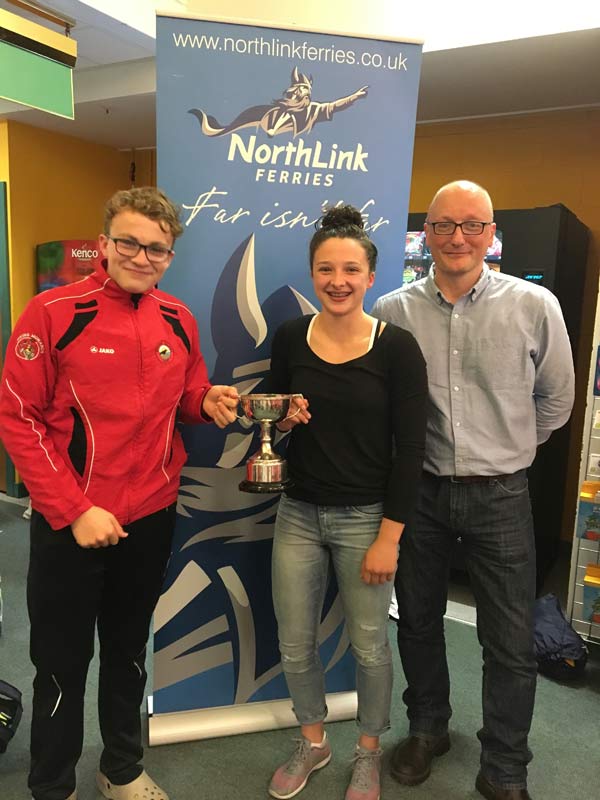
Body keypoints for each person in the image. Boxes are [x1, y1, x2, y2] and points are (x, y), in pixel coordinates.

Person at [0, 187, 239, 800]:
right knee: (60, 661)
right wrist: (75, 510)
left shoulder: (177, 318)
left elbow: (186, 395)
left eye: (157, 248)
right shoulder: (54, 312)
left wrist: (206, 402)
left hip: (150, 515)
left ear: (169, 256)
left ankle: (122, 768)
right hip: (69, 521)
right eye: (129, 241)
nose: (142, 255)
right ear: (104, 244)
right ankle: (52, 784)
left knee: (129, 650)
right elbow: (17, 418)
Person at [372, 180, 575, 800]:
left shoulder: (535, 305)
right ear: (425, 234)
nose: (457, 238)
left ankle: (505, 765)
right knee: (418, 622)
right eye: (443, 226)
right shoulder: (391, 311)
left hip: (502, 495)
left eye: (472, 225)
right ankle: (428, 728)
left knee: (509, 639)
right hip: (421, 495)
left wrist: (506, 450)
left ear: (492, 235)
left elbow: (557, 400)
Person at [266, 205, 428, 800]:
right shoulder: (290, 337)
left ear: (370, 276)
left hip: (367, 518)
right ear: (313, 273)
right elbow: (268, 411)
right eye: (326, 268)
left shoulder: (397, 347)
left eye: (350, 269)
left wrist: (391, 535)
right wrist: (283, 413)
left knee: (368, 643)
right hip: (298, 513)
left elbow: (412, 447)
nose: (338, 280)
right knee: (294, 639)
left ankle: (368, 750)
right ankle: (313, 741)